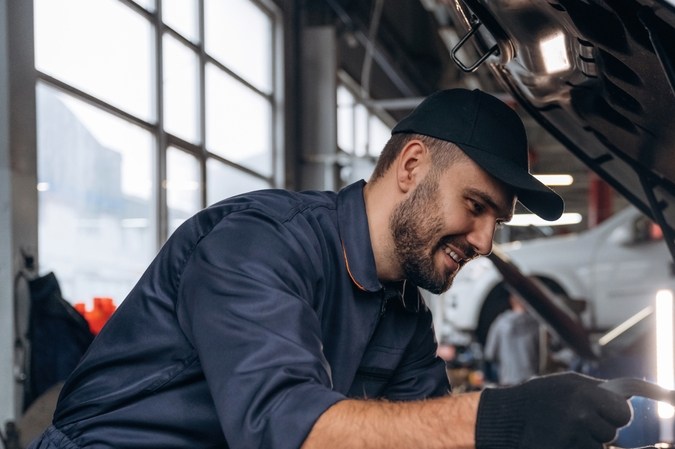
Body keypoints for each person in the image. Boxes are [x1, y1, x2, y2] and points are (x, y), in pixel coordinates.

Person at [28, 88, 632, 449]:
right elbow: (283, 430)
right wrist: (508, 416)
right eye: (475, 207)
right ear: (412, 165)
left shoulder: (404, 318)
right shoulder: (259, 244)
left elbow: (428, 435)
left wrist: (578, 418)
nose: (483, 240)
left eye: (496, 221)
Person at [484, 293, 541, 385]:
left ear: (512, 302)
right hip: (531, 380)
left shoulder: (500, 323)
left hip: (508, 381)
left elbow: (490, 354)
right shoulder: (536, 324)